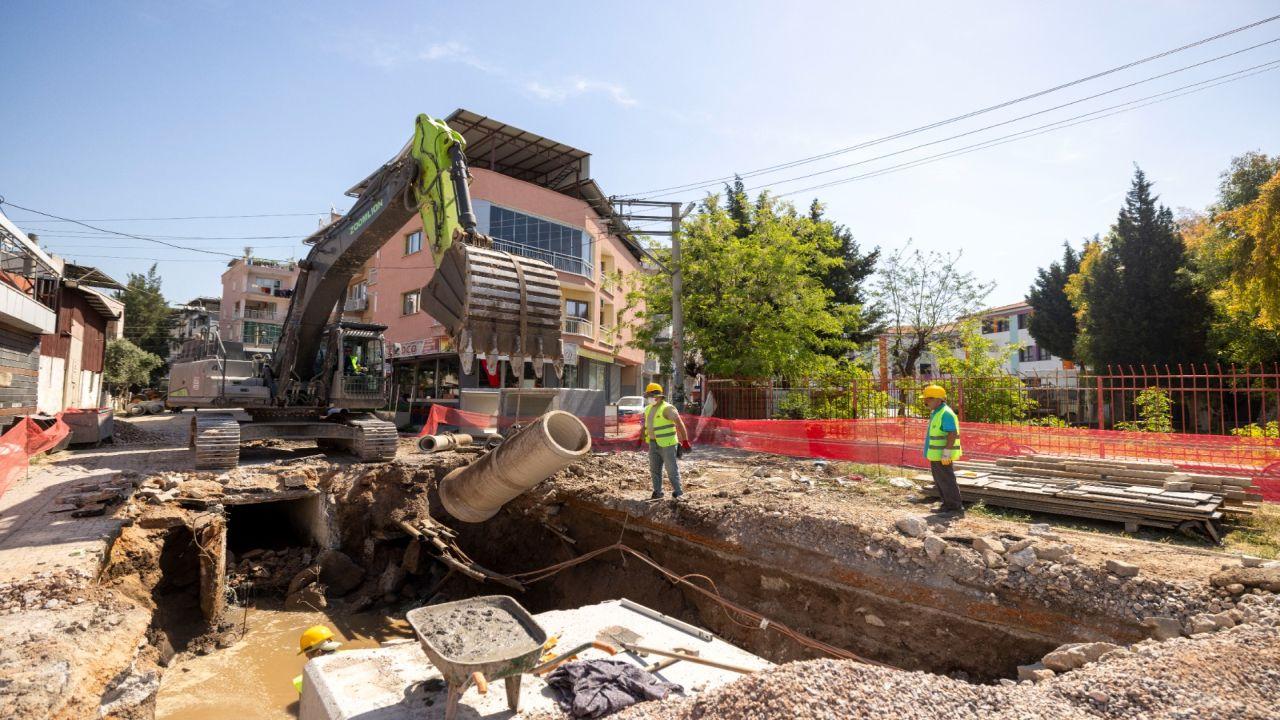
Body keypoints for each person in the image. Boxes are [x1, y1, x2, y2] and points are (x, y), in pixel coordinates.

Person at [921, 384, 964, 515]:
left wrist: (946, 453)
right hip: (936, 454)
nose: (925, 402)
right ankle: (947, 505)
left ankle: (954, 507)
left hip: (942, 455)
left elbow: (952, 433)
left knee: (946, 480)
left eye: (928, 399)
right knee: (940, 480)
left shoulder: (946, 413)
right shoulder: (937, 412)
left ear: (938, 399)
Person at [643, 382, 691, 500]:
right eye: (648, 396)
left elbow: (680, 424)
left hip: (668, 444)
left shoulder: (667, 409)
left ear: (658, 396)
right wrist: (641, 439)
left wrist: (685, 441)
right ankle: (657, 492)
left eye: (651, 396)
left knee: (671, 470)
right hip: (653, 443)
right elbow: (647, 425)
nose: (649, 399)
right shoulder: (648, 409)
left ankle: (678, 492)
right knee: (654, 469)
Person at [293, 624, 342, 693]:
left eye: (307, 653)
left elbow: (305, 703)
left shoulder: (304, 681)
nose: (306, 656)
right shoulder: (351, 655)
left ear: (318, 653)